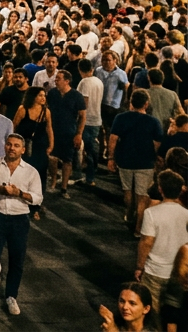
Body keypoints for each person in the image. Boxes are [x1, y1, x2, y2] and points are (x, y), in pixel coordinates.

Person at [0, 133, 42, 316]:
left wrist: (20, 194)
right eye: (9, 144)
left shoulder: (31, 171)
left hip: (19, 219)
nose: (12, 148)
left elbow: (38, 198)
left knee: (17, 259)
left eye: (16, 145)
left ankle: (11, 296)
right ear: (5, 146)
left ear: (23, 150)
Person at [111, 89, 166, 232]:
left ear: (131, 102)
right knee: (142, 196)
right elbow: (157, 143)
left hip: (125, 160)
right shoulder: (153, 121)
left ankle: (129, 213)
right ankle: (138, 228)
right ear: (146, 104)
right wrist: (155, 156)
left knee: (127, 190)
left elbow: (113, 139)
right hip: (145, 162)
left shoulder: (120, 118)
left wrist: (111, 158)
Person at [137, 170, 188, 316]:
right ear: (181, 190)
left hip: (155, 271)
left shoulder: (151, 213)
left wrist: (139, 267)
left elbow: (146, 242)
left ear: (160, 189)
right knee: (174, 314)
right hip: (179, 272)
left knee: (153, 313)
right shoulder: (186, 214)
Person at [12, 87, 53, 219]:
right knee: (24, 174)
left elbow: (49, 129)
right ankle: (22, 203)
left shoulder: (46, 112)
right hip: (24, 148)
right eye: (40, 95)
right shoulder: (23, 110)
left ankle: (36, 205)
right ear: (33, 96)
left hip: (39, 147)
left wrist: (51, 145)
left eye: (44, 96)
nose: (43, 98)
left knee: (40, 176)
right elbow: (14, 126)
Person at [47, 70, 87, 198]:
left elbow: (82, 116)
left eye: (58, 78)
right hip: (53, 131)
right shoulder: (52, 93)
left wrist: (79, 134)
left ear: (67, 81)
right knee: (52, 158)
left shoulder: (77, 96)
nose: (55, 81)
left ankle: (64, 187)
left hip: (69, 132)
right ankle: (53, 179)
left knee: (67, 160)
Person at [80, 59, 107, 185]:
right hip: (97, 119)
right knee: (91, 147)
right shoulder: (98, 81)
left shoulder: (84, 82)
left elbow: (84, 102)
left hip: (87, 120)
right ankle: (91, 174)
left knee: (88, 150)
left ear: (80, 70)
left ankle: (90, 177)